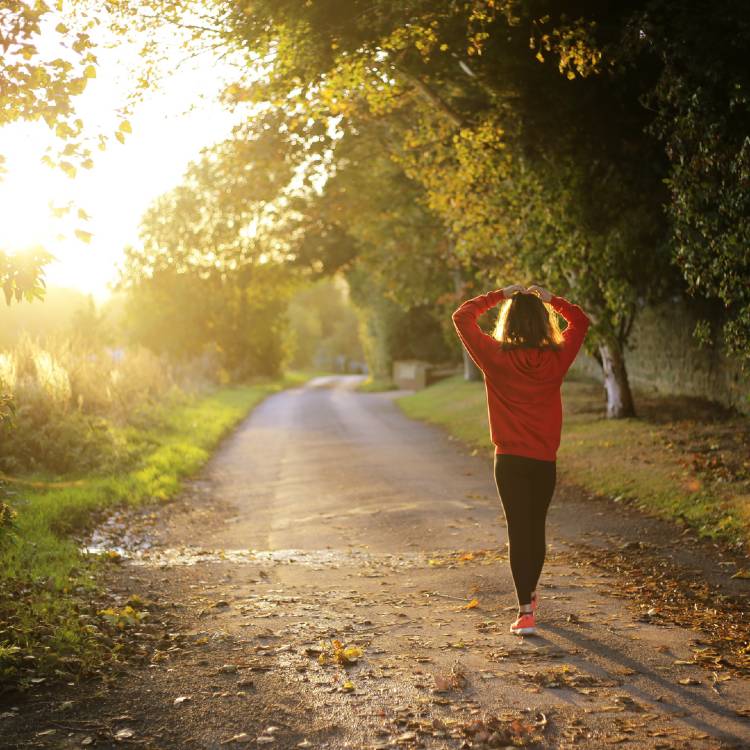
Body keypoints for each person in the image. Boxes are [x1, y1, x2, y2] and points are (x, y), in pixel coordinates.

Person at [452, 283, 591, 635]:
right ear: (544, 323)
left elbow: (462, 316)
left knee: (519, 530)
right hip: (543, 460)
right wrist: (552, 300)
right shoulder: (557, 358)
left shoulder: (495, 357)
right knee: (536, 528)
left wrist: (500, 294)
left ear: (508, 321)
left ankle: (525, 611)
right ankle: (529, 595)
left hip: (510, 460)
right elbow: (581, 321)